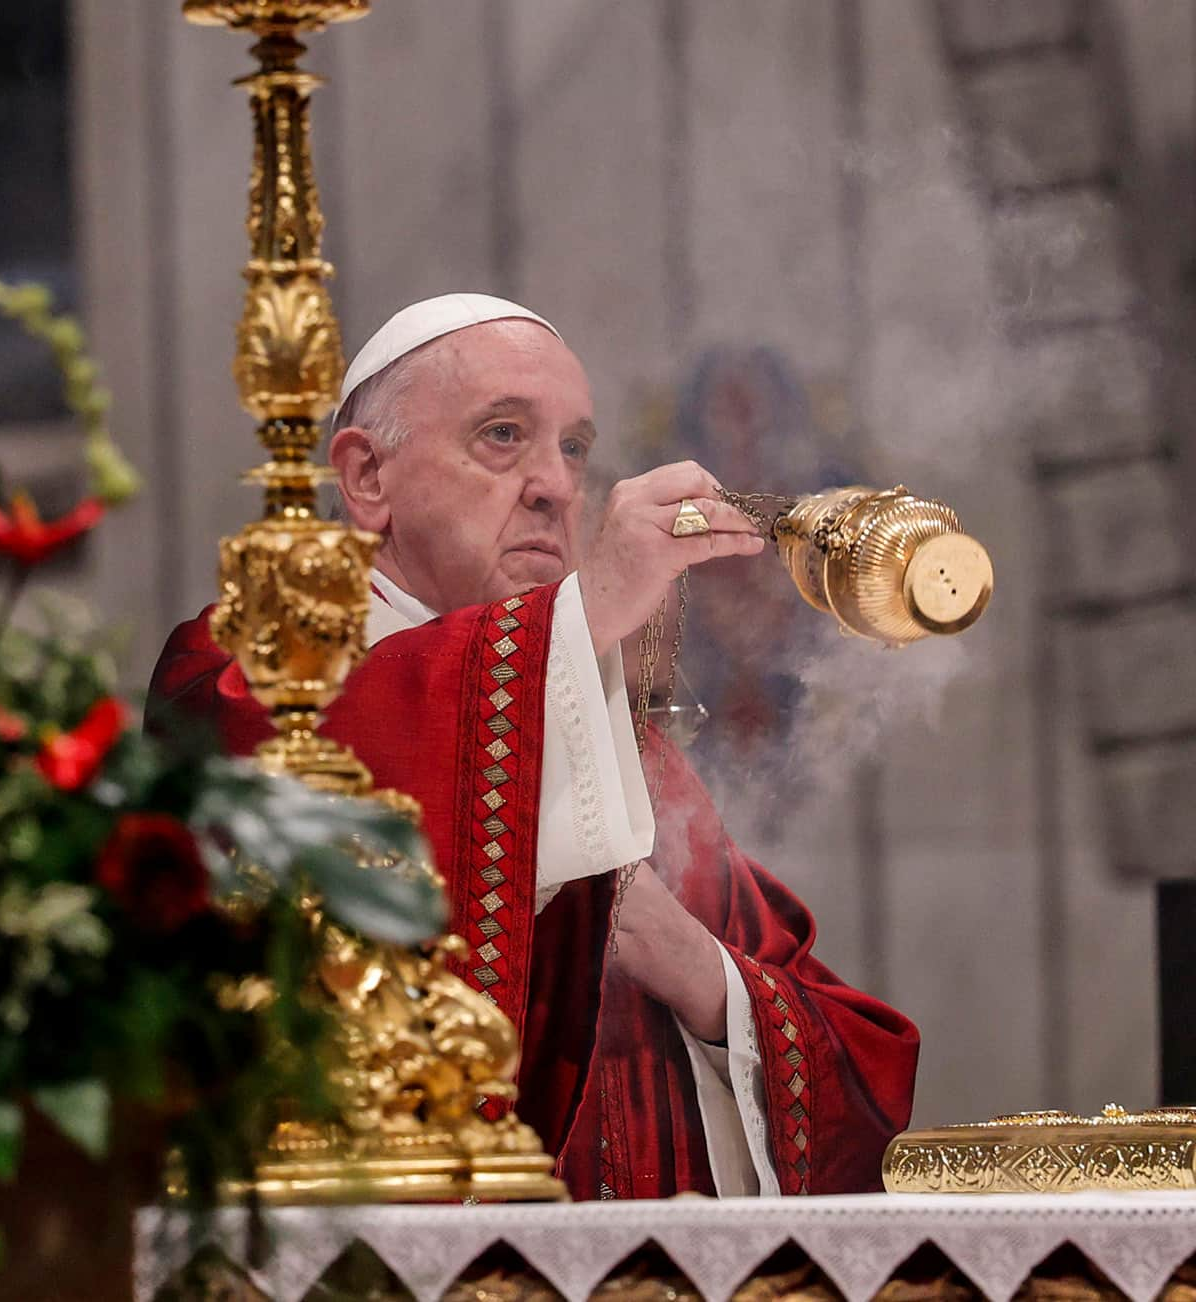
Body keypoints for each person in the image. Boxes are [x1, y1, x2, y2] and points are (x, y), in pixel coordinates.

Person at [149, 294, 919, 1198]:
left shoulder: (623, 752)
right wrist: (585, 610)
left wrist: (703, 978)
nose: (556, 485)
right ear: (366, 478)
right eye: (504, 435)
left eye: (575, 448)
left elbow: (858, 1071)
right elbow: (334, 799)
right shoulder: (247, 674)